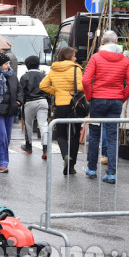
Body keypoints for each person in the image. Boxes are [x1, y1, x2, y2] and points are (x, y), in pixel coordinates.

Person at [82, 31, 129, 184]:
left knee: (94, 135)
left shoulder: (96, 57)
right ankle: (111, 174)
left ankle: (92, 169)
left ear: (102, 41)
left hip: (97, 100)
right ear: (116, 41)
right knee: (113, 137)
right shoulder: (125, 60)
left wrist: (89, 97)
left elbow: (86, 80)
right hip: (115, 102)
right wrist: (121, 97)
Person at [39, 46, 83, 175]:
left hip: (60, 105)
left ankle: (65, 155)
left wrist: (57, 92)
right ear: (69, 56)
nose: (75, 58)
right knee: (74, 136)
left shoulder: (54, 69)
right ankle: (72, 166)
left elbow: (43, 86)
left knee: (61, 134)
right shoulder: (76, 69)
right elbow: (80, 87)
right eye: (74, 55)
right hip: (74, 106)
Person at [20, 55, 50, 156]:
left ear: (27, 65)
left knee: (28, 124)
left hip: (29, 102)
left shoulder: (24, 77)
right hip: (42, 101)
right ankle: (45, 148)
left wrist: (21, 102)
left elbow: (22, 92)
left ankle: (29, 146)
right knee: (43, 124)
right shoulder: (44, 76)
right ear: (38, 64)